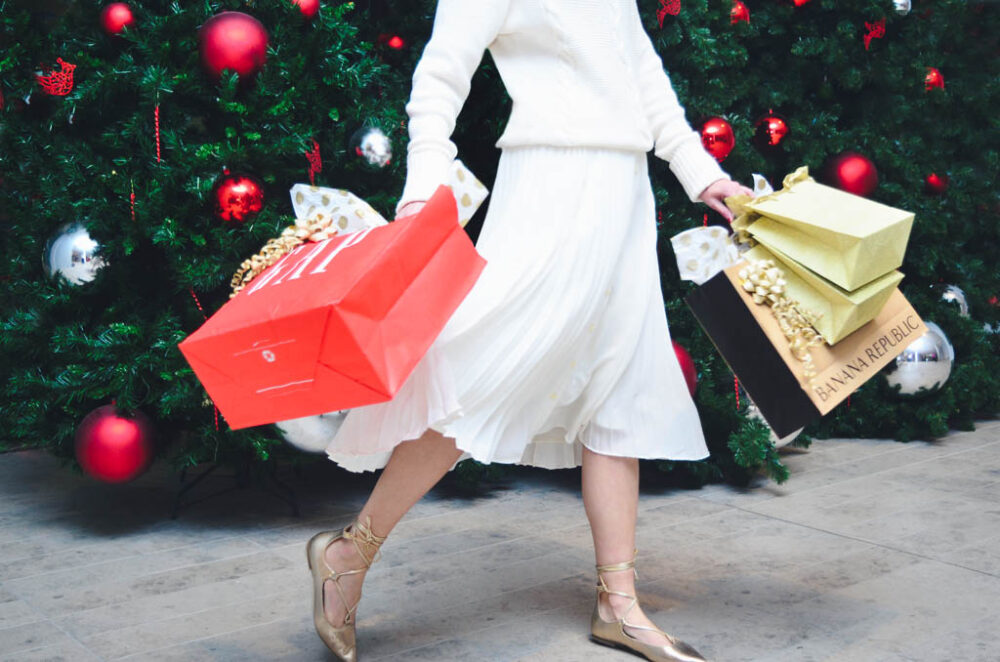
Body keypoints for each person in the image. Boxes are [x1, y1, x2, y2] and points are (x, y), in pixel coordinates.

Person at [305, 1, 753, 660]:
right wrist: (421, 198)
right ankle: (348, 551)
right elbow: (438, 79)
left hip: (624, 194)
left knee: (619, 385)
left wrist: (701, 172)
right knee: (476, 379)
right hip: (551, 188)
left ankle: (618, 604)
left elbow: (643, 75)